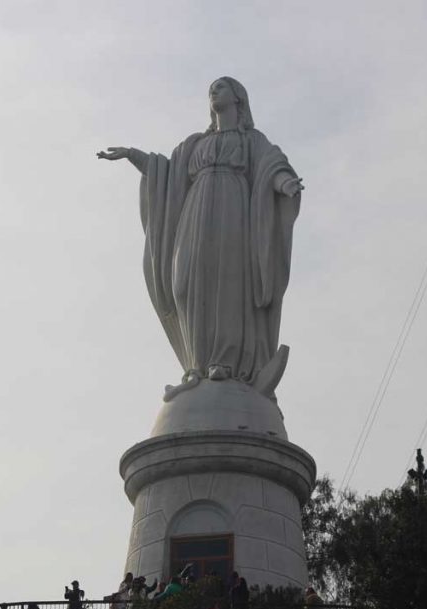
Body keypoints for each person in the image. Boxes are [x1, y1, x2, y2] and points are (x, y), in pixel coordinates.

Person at [98, 77, 304, 399]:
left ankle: (224, 363)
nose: (213, 92)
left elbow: (271, 166)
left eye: (220, 87)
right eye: (211, 89)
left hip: (233, 211)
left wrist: (284, 185)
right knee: (185, 283)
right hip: (195, 215)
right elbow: (165, 173)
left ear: (238, 99)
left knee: (227, 283)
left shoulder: (251, 141)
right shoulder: (195, 144)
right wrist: (133, 155)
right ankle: (196, 364)